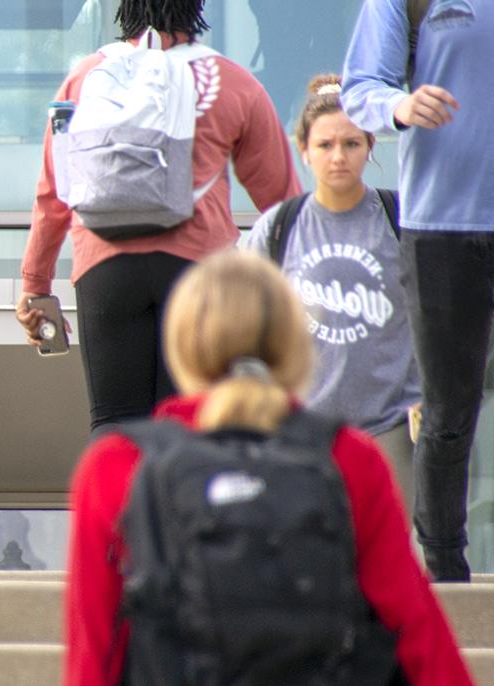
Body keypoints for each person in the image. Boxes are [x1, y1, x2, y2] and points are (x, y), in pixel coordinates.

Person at [62, 250, 473, 686]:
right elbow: (414, 629)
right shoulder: (346, 456)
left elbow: (93, 647)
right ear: (294, 344)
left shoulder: (119, 464)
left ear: (182, 345)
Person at [16, 0, 300, 432]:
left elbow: (54, 193)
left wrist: (35, 286)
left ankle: (114, 501)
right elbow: (282, 206)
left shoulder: (85, 77)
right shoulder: (231, 80)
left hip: (104, 268)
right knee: (189, 423)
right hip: (198, 271)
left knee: (114, 424)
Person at [341, 0, 494, 582]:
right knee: (449, 411)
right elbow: (360, 87)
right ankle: (446, 576)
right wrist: (400, 105)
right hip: (442, 229)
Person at [244, 73, 420, 513]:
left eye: (351, 144)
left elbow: (438, 312)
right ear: (303, 150)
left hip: (390, 427)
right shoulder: (278, 227)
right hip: (299, 431)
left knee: (391, 558)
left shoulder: (401, 219)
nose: (338, 156)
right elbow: (238, 319)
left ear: (369, 146)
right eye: (325, 145)